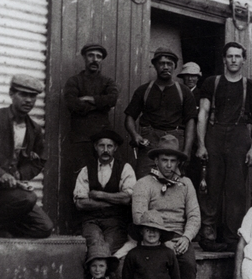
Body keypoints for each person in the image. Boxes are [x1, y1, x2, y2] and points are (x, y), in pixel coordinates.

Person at [131, 135, 201, 279]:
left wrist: (187, 237)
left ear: (178, 162)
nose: (169, 165)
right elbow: (138, 217)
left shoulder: (186, 184)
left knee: (188, 265)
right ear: (156, 161)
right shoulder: (144, 184)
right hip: (151, 237)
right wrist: (161, 241)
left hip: (179, 238)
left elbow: (195, 216)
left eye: (173, 161)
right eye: (164, 160)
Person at [196, 42, 252, 252]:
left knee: (236, 189)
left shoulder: (251, 86)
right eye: (230, 56)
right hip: (215, 134)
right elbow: (203, 114)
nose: (234, 60)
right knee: (211, 184)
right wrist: (201, 144)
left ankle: (232, 236)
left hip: (239, 136)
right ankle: (208, 234)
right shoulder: (212, 82)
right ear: (224, 60)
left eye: (237, 56)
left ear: (243, 60)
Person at [0, 74, 53, 238]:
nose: (28, 100)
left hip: (11, 191)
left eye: (33, 96)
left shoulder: (34, 129)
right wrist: (0, 174)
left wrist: (20, 174)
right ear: (11, 93)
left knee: (44, 227)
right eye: (23, 94)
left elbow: (40, 159)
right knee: (28, 198)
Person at [124, 47, 198, 179]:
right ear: (155, 65)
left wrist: (186, 150)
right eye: (161, 63)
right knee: (144, 179)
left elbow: (190, 122)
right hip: (149, 143)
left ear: (174, 66)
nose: (165, 67)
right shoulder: (144, 90)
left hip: (175, 142)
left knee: (174, 182)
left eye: (169, 64)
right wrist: (135, 135)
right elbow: (129, 117)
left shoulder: (184, 92)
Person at [74, 130, 136, 255]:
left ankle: (99, 273)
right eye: (102, 146)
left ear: (116, 148)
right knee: (95, 242)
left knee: (107, 246)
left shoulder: (125, 168)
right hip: (91, 221)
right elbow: (80, 203)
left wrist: (99, 195)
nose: (106, 150)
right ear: (96, 147)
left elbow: (127, 199)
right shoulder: (86, 170)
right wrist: (113, 202)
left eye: (110, 146)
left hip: (116, 223)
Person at [64, 43, 119, 177]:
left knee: (103, 173)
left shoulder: (108, 82)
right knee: (80, 174)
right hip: (80, 137)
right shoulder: (74, 81)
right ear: (84, 57)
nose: (95, 59)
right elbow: (73, 104)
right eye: (91, 55)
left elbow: (112, 100)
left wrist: (88, 98)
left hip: (102, 137)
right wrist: (100, 104)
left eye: (98, 57)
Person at [177, 62, 203, 189]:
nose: (190, 79)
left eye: (194, 76)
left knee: (194, 176)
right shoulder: (176, 92)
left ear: (198, 78)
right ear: (183, 77)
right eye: (187, 76)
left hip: (196, 142)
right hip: (179, 138)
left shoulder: (202, 95)